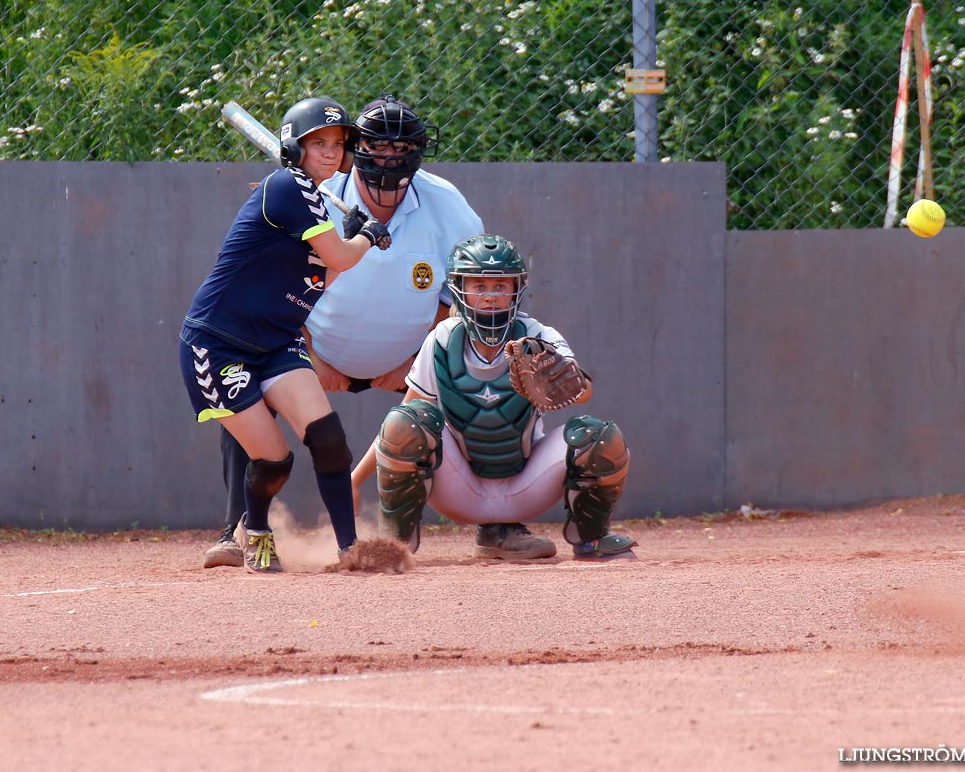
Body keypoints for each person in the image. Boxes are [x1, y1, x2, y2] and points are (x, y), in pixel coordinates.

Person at [203, 95, 483, 567]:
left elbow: (457, 302)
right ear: (357, 152)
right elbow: (276, 286)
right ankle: (239, 529)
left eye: (402, 153)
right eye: (379, 151)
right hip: (311, 350)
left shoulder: (447, 205)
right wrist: (312, 357)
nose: (390, 163)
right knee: (246, 390)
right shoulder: (307, 196)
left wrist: (415, 369)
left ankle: (497, 526)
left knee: (481, 369)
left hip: (407, 362)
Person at [179, 96, 392, 573]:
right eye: (318, 143)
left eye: (338, 144)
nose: (331, 153)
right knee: (274, 460)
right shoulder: (287, 184)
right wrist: (366, 238)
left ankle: (349, 550)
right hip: (218, 343)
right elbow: (340, 258)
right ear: (295, 148)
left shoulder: (313, 203)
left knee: (329, 438)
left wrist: (353, 235)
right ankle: (254, 528)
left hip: (276, 341)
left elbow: (324, 276)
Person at [349, 233, 637, 562]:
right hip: (459, 489)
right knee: (406, 422)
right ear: (460, 288)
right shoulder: (442, 339)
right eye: (479, 286)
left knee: (599, 437)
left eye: (500, 287)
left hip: (525, 484)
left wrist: (566, 381)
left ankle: (590, 539)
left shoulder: (538, 335)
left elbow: (584, 393)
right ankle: (393, 547)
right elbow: (402, 416)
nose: (490, 297)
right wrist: (355, 480)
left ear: (516, 290)